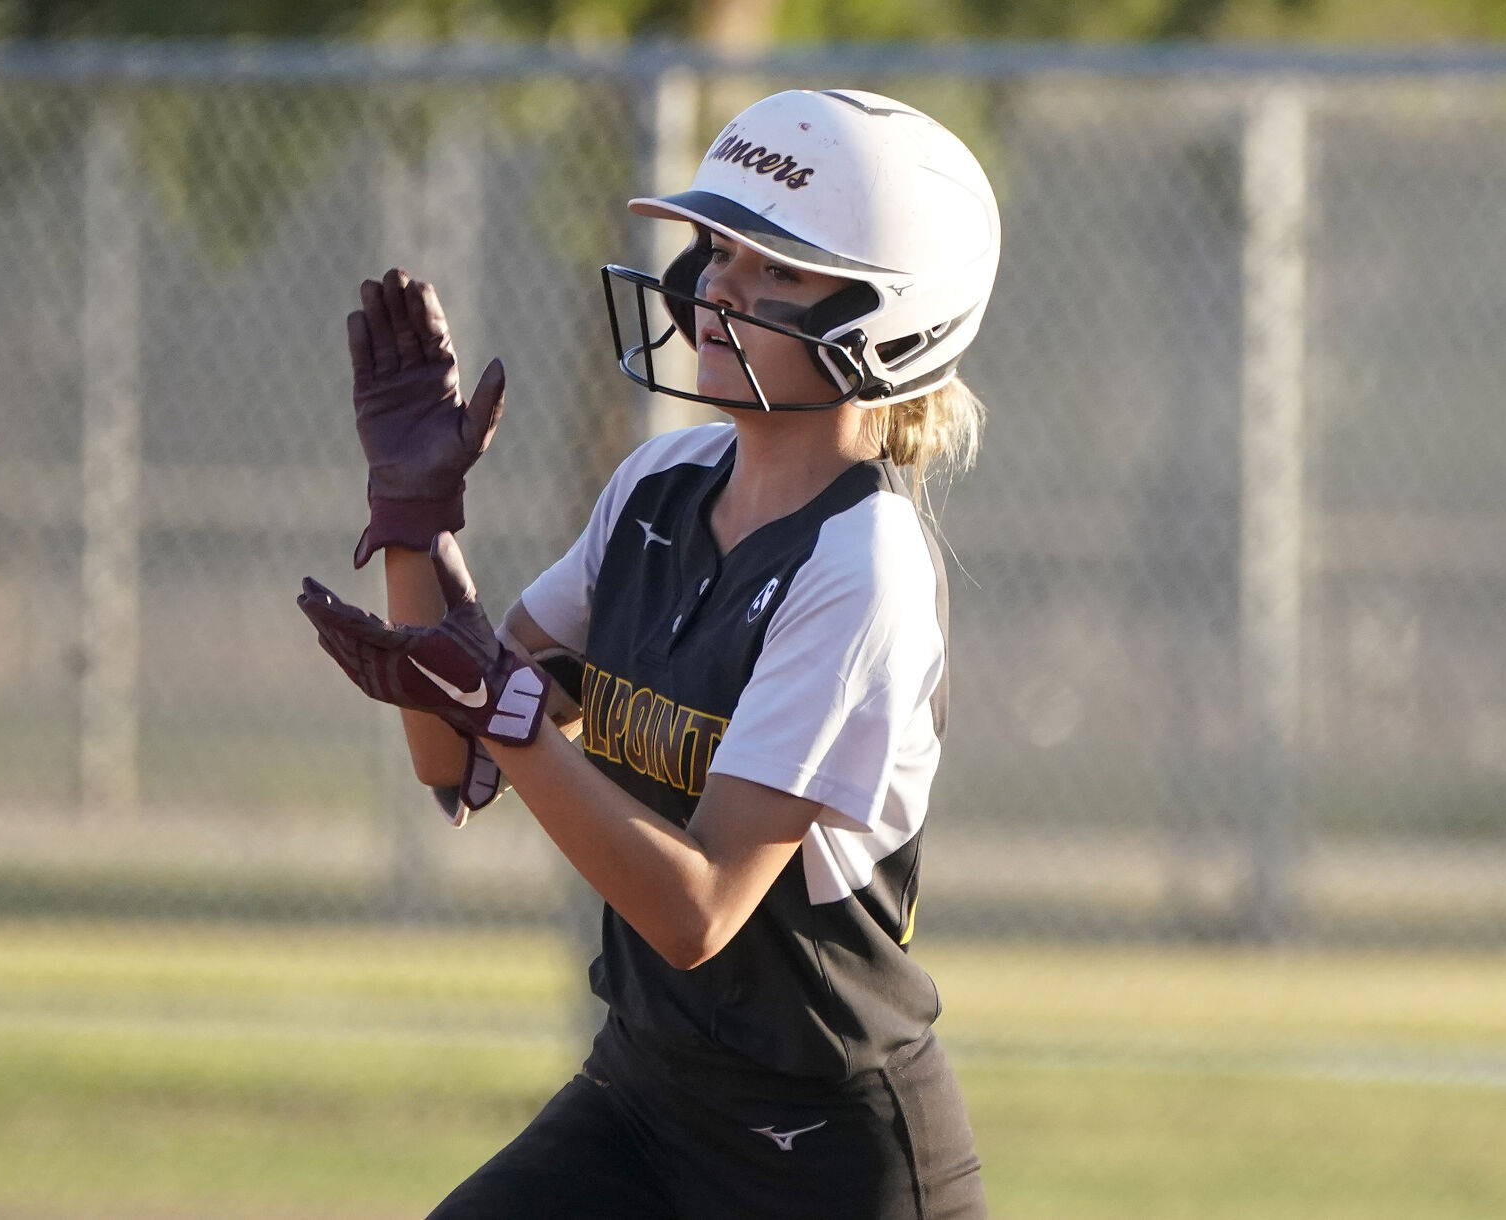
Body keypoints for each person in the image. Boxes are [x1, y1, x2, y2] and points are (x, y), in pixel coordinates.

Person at [299, 87, 1000, 1220]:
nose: (715, 286)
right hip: (644, 1095)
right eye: (717, 251)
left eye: (772, 267)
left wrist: (504, 705)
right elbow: (456, 762)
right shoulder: (656, 488)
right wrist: (415, 523)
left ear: (889, 316)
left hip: (818, 1148)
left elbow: (697, 910)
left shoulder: (860, 564)